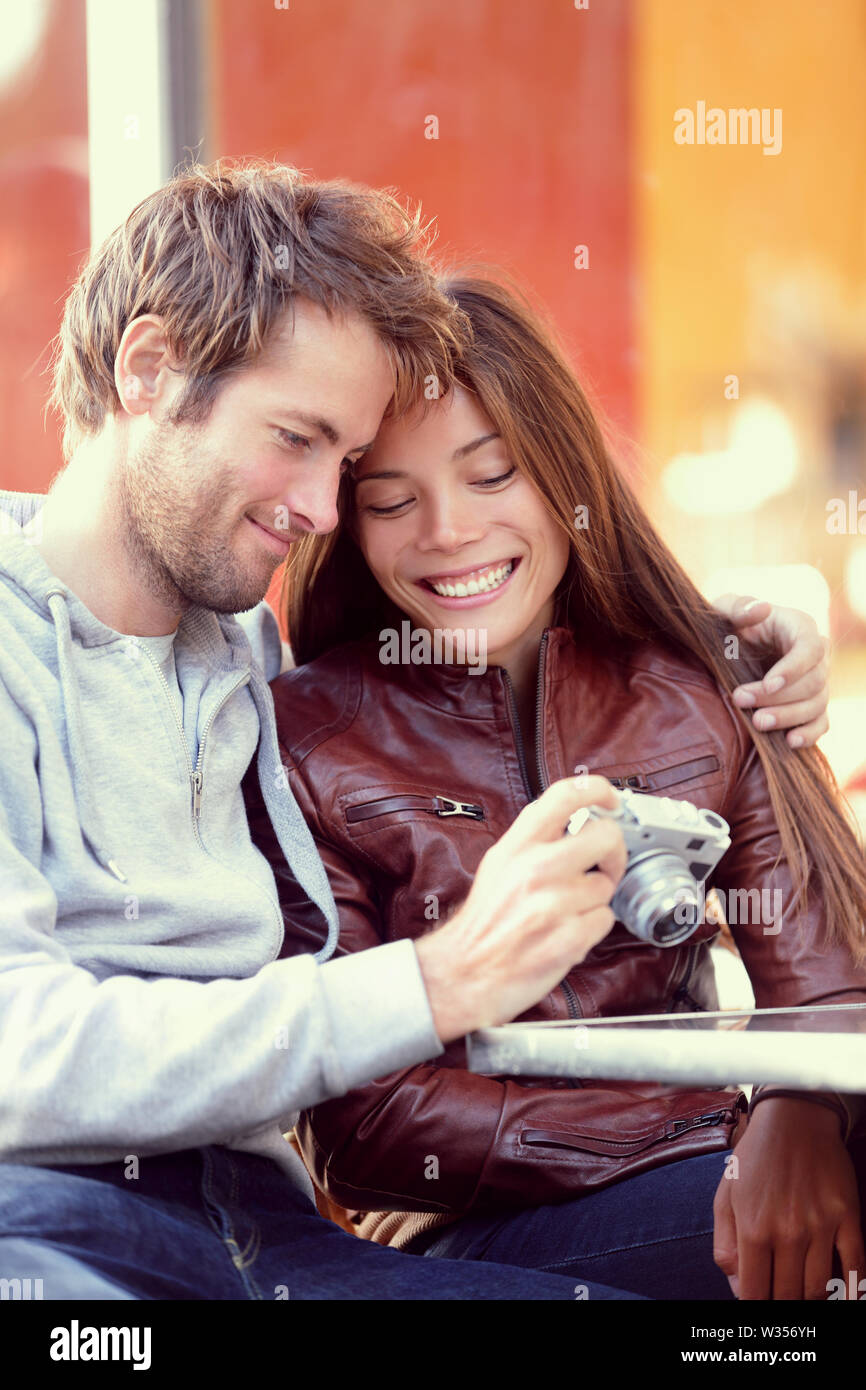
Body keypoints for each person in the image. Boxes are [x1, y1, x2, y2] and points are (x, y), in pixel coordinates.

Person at [0, 158, 674, 1303]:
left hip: (270, 1238)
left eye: (344, 463)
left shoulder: (250, 658)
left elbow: (483, 628)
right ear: (149, 369)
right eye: (295, 436)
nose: (321, 509)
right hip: (57, 1225)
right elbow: (18, 1059)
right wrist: (432, 982)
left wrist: (730, 644)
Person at [250, 274, 866, 1302]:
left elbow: (831, 986)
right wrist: (722, 1129)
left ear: (563, 473)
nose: (446, 529)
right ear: (345, 524)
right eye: (391, 500)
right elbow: (365, 1119)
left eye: (493, 475)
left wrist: (793, 1115)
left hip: (719, 1169)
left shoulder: (700, 681)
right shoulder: (307, 737)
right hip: (479, 1228)